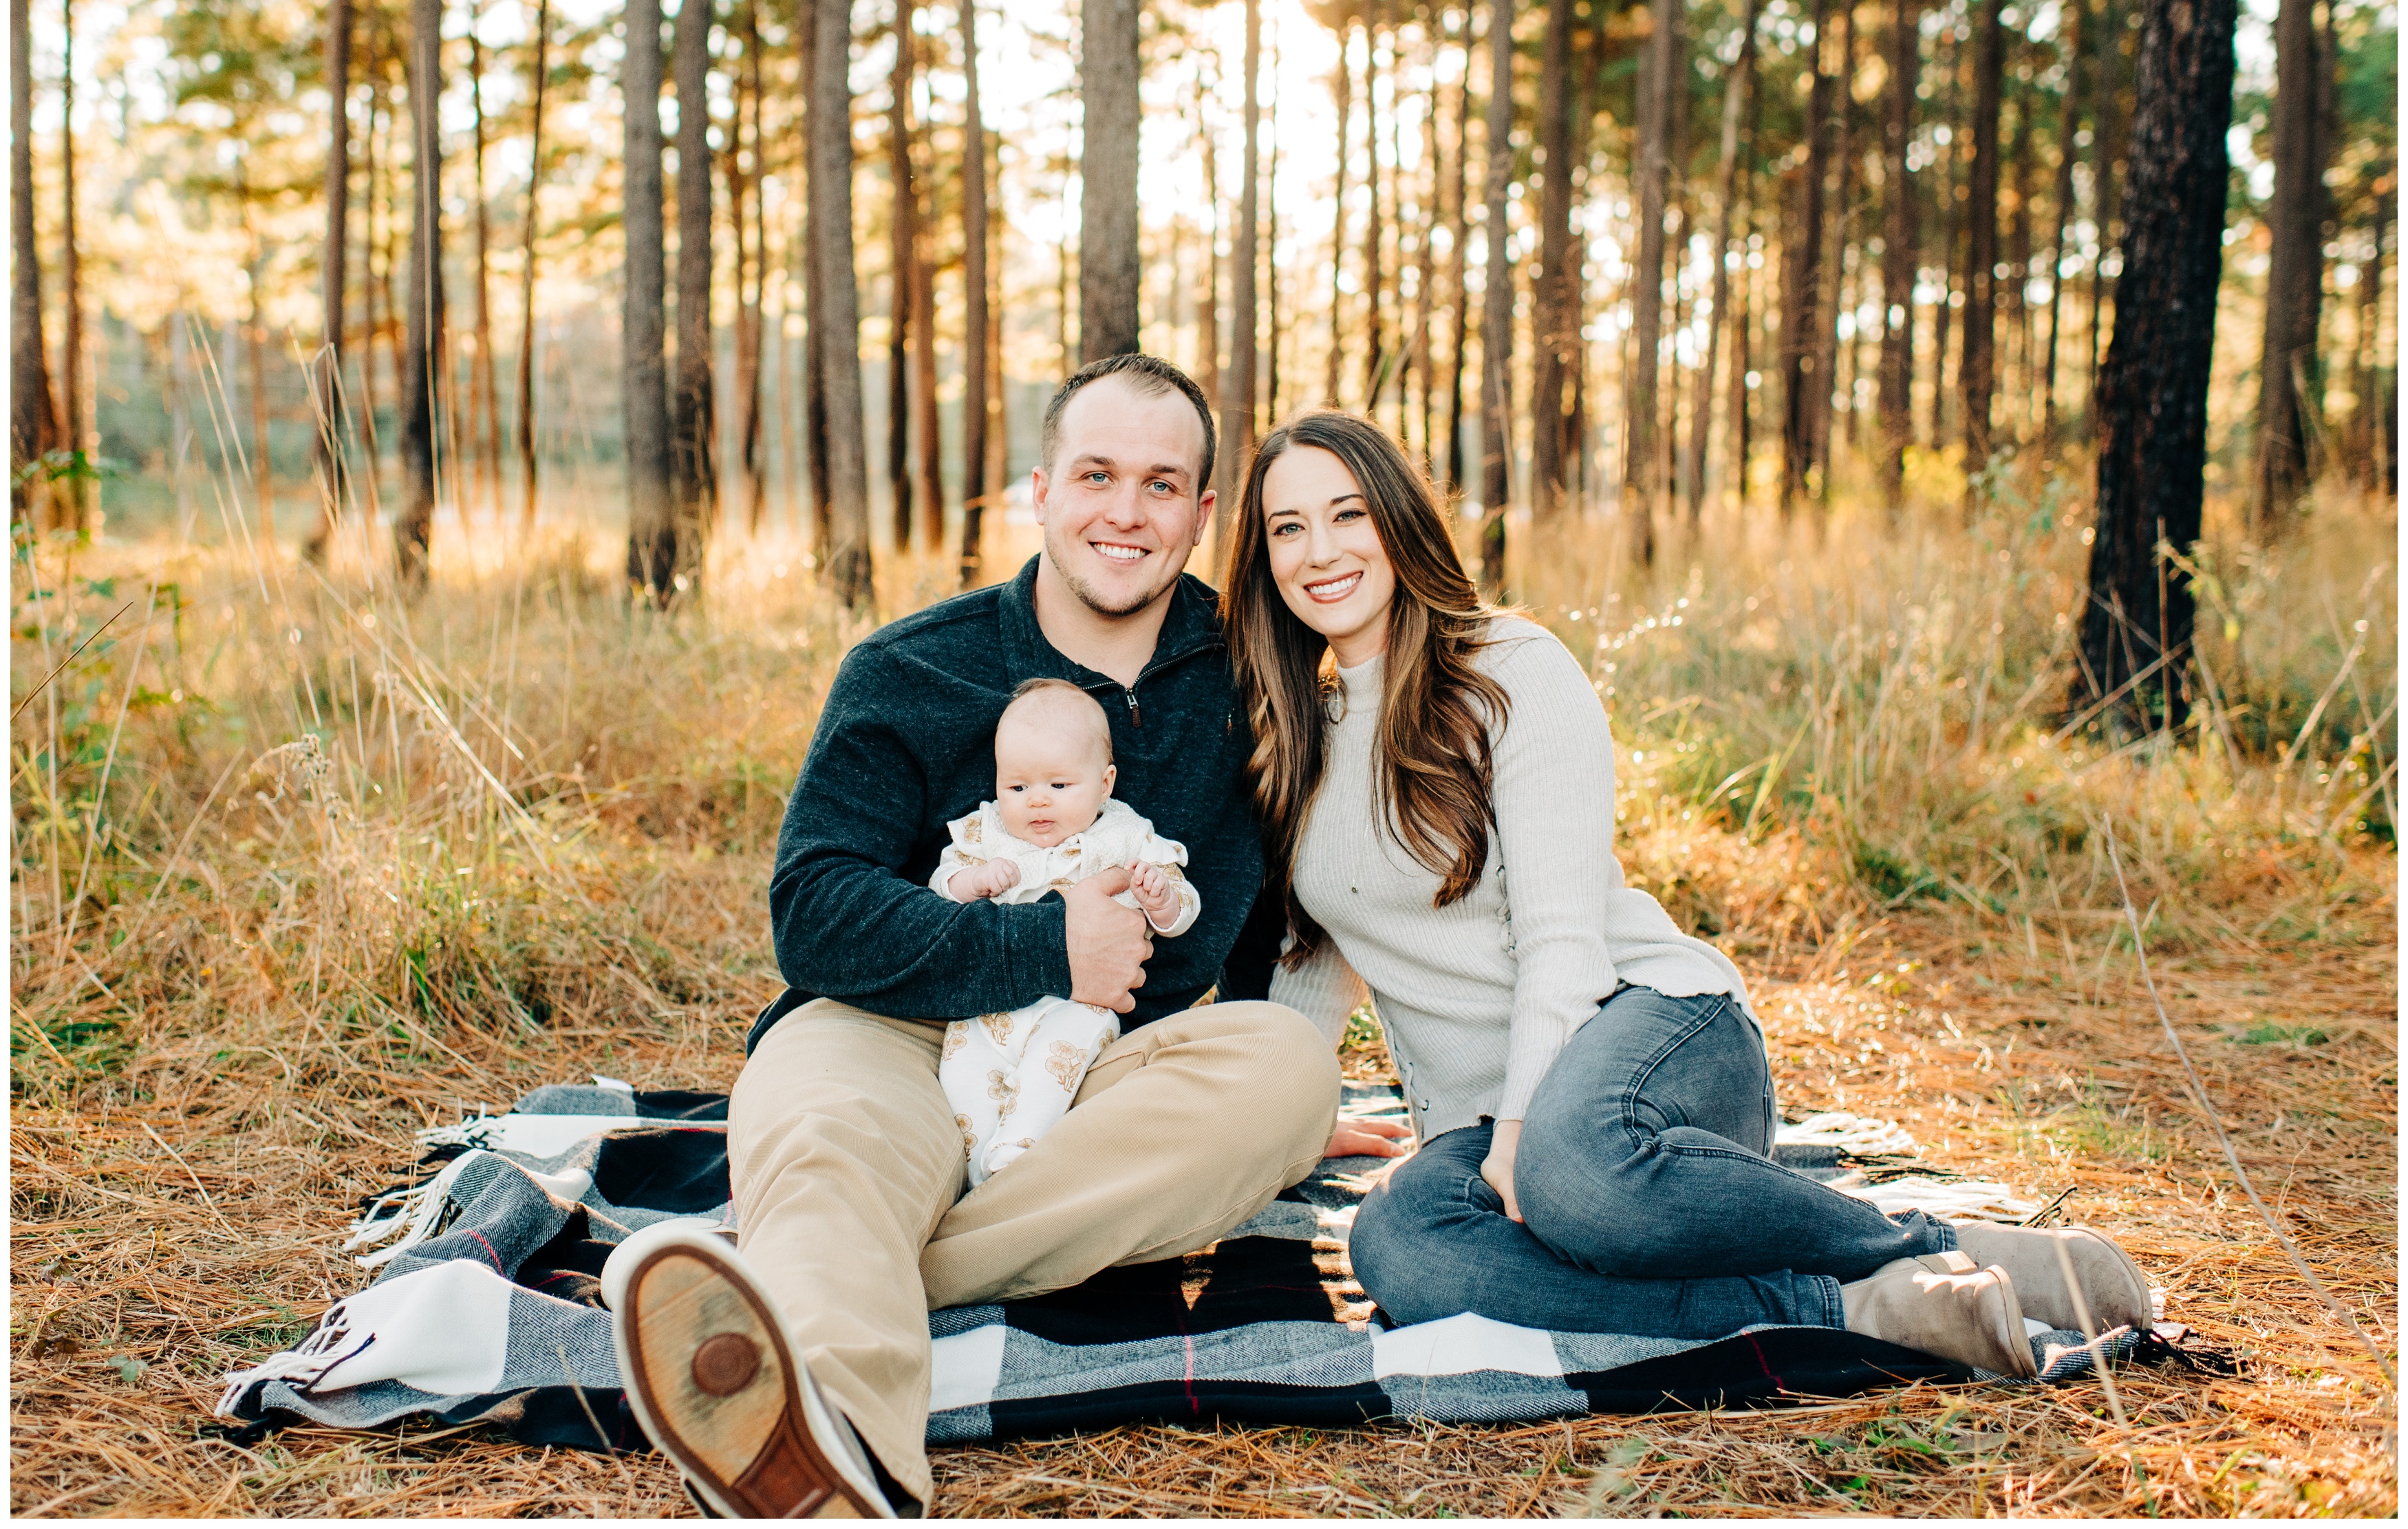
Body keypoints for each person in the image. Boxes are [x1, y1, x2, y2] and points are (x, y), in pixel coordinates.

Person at [1223, 411, 2154, 1379]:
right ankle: (1852, 1307)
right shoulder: (1295, 735)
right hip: (1490, 1122)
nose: (1319, 550)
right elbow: (1312, 969)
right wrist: (1278, 1116)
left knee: (1574, 1168)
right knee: (1399, 1243)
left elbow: (1563, 943)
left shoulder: (1508, 668)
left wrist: (1519, 1135)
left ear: (1401, 522)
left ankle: (1921, 1242)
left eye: (1349, 513)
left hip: (1650, 1034)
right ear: (1263, 557)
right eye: (1288, 527)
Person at [604, 356, 1341, 1519]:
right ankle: (830, 1454)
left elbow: (1280, 910)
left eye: (1162, 485)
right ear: (1040, 492)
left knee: (1290, 1072)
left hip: (1095, 1068)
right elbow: (814, 909)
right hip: (894, 1032)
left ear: (1203, 516)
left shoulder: (1261, 678)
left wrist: (1283, 1118)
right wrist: (1046, 947)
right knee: (827, 1121)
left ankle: (820, 1268)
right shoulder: (911, 669)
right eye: (1096, 475)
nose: (1125, 512)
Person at [931, 677, 1201, 1188]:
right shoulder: (987, 833)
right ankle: (982, 1180)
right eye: (1017, 787)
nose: (1037, 801)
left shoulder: (1122, 836)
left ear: (1105, 782)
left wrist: (1162, 900)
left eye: (1059, 786)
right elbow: (941, 884)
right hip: (986, 1010)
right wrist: (972, 881)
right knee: (963, 1079)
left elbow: (1184, 905)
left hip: (1077, 1008)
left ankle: (1020, 1147)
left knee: (1052, 1070)